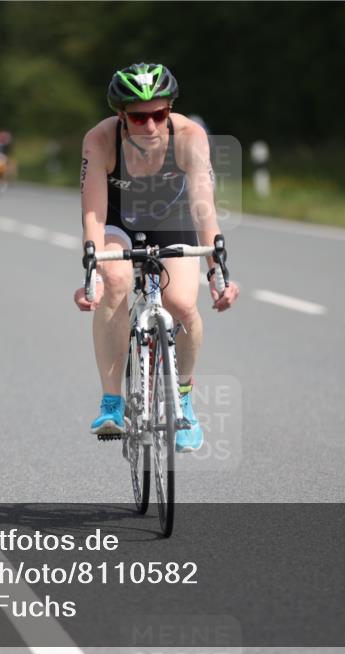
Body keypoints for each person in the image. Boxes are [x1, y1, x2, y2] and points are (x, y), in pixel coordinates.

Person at [73, 63, 240, 451]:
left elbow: (204, 209)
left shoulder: (189, 137)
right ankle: (112, 403)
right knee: (114, 282)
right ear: (121, 115)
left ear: (170, 111)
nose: (149, 126)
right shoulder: (100, 140)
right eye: (137, 117)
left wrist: (218, 273)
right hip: (119, 219)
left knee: (181, 304)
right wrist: (92, 276)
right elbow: (94, 215)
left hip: (173, 217)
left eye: (158, 115)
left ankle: (181, 399)